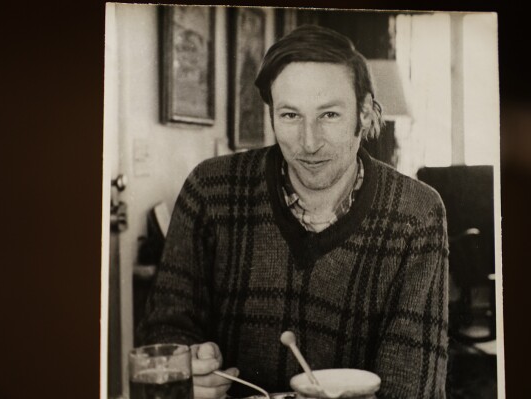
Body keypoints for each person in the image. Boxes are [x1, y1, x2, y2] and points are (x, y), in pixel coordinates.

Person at [139, 24, 449, 398]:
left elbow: (413, 385)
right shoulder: (210, 190)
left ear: (365, 113)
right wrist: (188, 369)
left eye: (329, 115)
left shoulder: (416, 214)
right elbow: (163, 332)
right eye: (290, 116)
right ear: (271, 114)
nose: (309, 142)